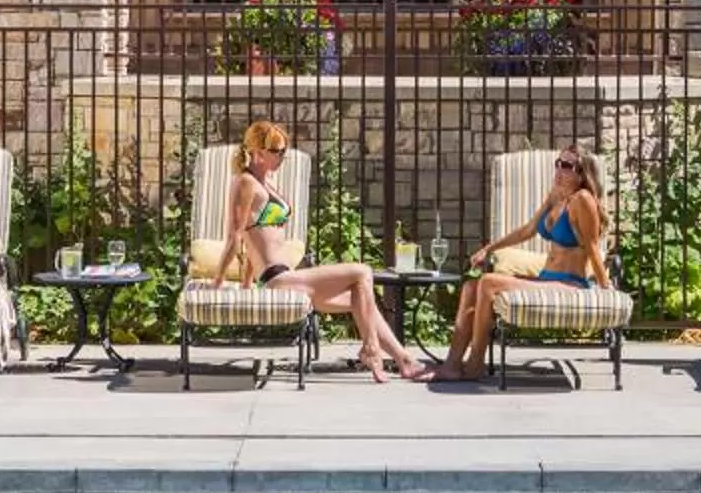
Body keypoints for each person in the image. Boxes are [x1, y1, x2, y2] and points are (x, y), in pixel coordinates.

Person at [212, 121, 426, 384]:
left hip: (288, 276)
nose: (283, 156)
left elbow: (256, 238)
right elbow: (236, 236)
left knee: (361, 298)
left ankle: (404, 360)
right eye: (277, 151)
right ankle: (371, 349)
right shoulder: (245, 183)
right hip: (276, 280)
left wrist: (246, 282)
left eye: (284, 150)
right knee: (362, 271)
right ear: (258, 152)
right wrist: (218, 282)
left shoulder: (265, 182)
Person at [437, 146, 610, 381]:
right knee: (471, 287)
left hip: (568, 284)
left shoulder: (583, 200)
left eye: (566, 166)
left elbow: (592, 248)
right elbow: (528, 230)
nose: (559, 170)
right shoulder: (556, 196)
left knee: (488, 282)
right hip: (546, 280)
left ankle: (475, 363)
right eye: (557, 163)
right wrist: (489, 249)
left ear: (581, 173)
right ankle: (452, 364)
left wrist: (605, 288)